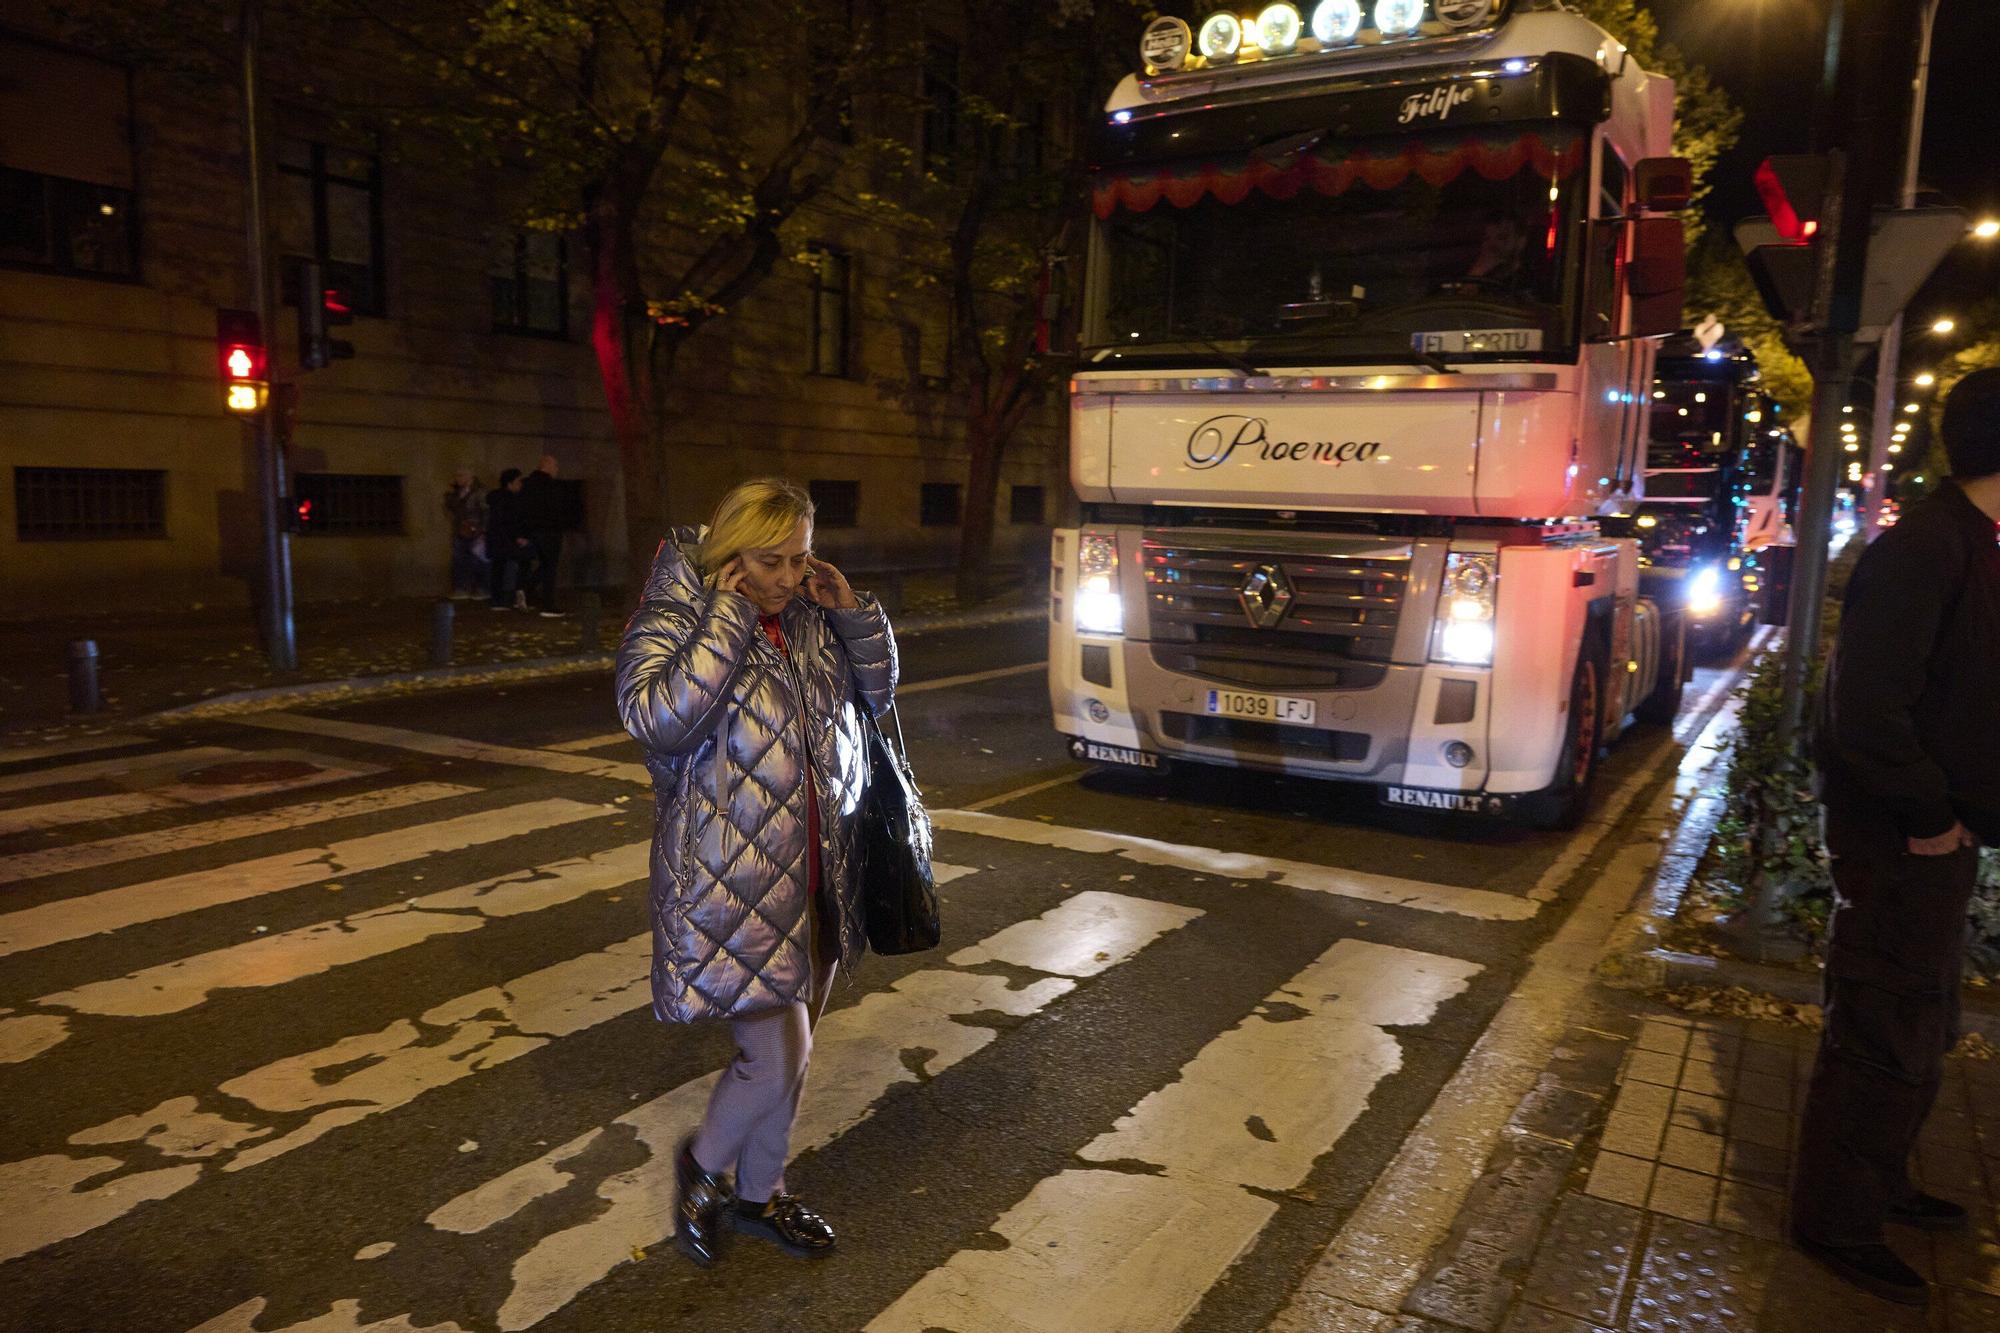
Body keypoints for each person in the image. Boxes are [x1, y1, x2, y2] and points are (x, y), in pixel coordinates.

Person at [615, 477, 896, 1267]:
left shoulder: (807, 615)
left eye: (800, 558)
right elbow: (656, 719)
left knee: (793, 1056)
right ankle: (704, 1169)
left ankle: (760, 1193)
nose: (787, 577)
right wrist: (727, 619)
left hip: (817, 869)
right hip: (730, 879)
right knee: (773, 1055)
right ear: (731, 555)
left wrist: (852, 614)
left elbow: (876, 699)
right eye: (770, 561)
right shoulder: (677, 612)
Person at [1792, 366, 2000, 1306]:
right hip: (1902, 837)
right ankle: (1837, 1217)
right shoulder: (1928, 547)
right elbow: (1867, 707)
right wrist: (1930, 814)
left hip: (1936, 832)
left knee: (1919, 1015)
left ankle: (1876, 1179)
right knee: (1884, 1021)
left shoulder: (1966, 539)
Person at [517, 454, 566, 617]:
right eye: (555, 466)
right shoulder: (551, 486)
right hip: (550, 531)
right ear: (548, 466)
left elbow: (521, 509)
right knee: (549, 566)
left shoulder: (527, 484)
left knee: (541, 564)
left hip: (532, 531)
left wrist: (523, 532)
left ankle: (526, 590)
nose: (556, 469)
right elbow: (556, 509)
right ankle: (547, 604)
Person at [485, 468, 532, 611]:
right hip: (507, 540)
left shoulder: (496, 499)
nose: (520, 485)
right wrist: (517, 537)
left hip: (498, 539)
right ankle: (511, 596)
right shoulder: (510, 500)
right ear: (509, 484)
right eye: (518, 482)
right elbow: (510, 521)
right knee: (519, 565)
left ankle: (498, 600)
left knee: (498, 569)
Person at [443, 470, 488, 599]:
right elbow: (451, 507)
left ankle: (481, 588)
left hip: (476, 531)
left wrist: (482, 531)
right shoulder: (457, 492)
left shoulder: (480, 492)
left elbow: (486, 512)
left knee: (478, 561)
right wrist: (451, 492)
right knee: (459, 560)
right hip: (460, 530)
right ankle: (462, 588)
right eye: (456, 475)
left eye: (460, 475)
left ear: (470, 476)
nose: (457, 478)